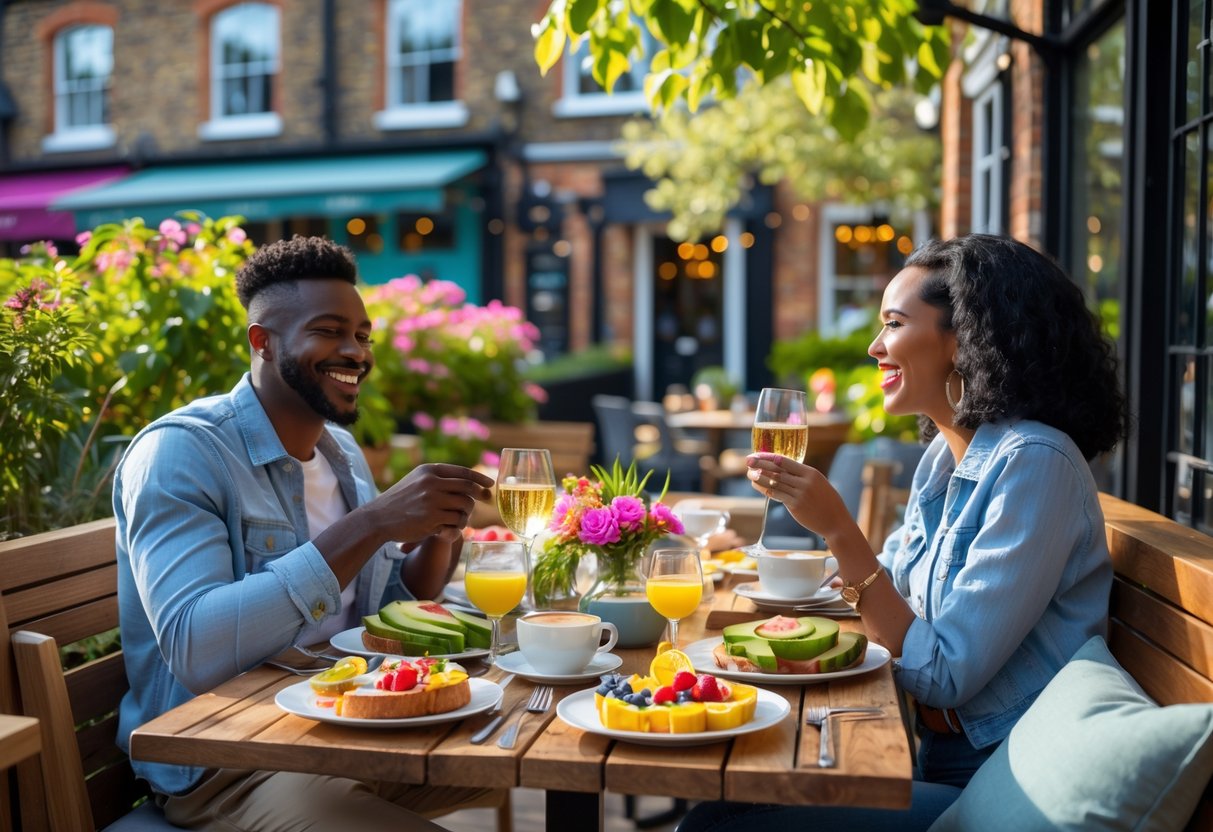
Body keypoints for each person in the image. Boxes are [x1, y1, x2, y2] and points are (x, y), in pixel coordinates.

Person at [680, 234, 1127, 831]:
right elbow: (885, 589)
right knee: (722, 805)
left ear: (964, 339)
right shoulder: (945, 461)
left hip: (997, 776)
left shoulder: (1035, 463)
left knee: (716, 826)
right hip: (930, 752)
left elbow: (943, 673)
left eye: (893, 324)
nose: (874, 346)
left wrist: (839, 527)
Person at [113, 236, 499, 830]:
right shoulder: (181, 453)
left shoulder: (339, 452)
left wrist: (442, 529)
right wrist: (370, 523)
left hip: (351, 725)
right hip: (235, 761)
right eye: (329, 331)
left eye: (363, 335)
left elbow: (392, 607)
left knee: (526, 747)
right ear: (262, 342)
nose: (356, 352)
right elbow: (196, 646)